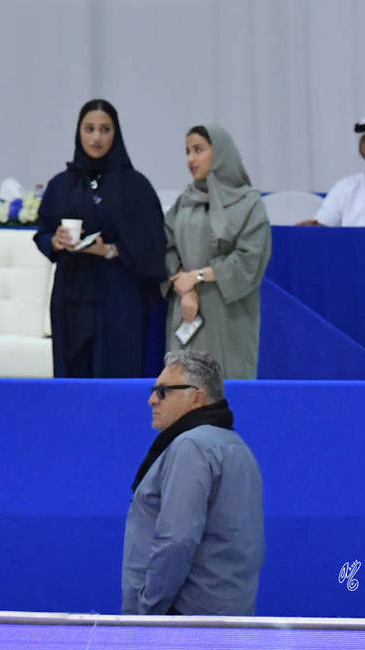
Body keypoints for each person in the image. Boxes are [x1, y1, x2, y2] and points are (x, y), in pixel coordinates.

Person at [123, 350, 265, 616]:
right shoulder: (238, 448)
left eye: (163, 391)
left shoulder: (192, 447)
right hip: (226, 616)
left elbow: (177, 540)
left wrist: (147, 611)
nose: (152, 399)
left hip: (182, 624)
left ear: (197, 397)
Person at [35, 99, 166, 379]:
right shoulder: (62, 184)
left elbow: (153, 244)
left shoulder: (135, 186)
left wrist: (110, 250)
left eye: (105, 129)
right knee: (74, 376)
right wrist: (55, 241)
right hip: (72, 296)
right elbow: (42, 231)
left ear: (115, 134)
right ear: (78, 132)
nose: (96, 138)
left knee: (117, 372)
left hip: (119, 297)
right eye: (89, 128)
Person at [164, 125, 272, 380]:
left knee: (227, 387)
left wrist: (200, 276)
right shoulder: (185, 201)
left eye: (199, 150)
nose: (191, 159)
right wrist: (185, 287)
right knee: (184, 387)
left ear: (221, 153)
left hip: (229, 314)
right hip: (187, 310)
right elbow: (166, 246)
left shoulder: (249, 203)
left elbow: (250, 259)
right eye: (188, 151)